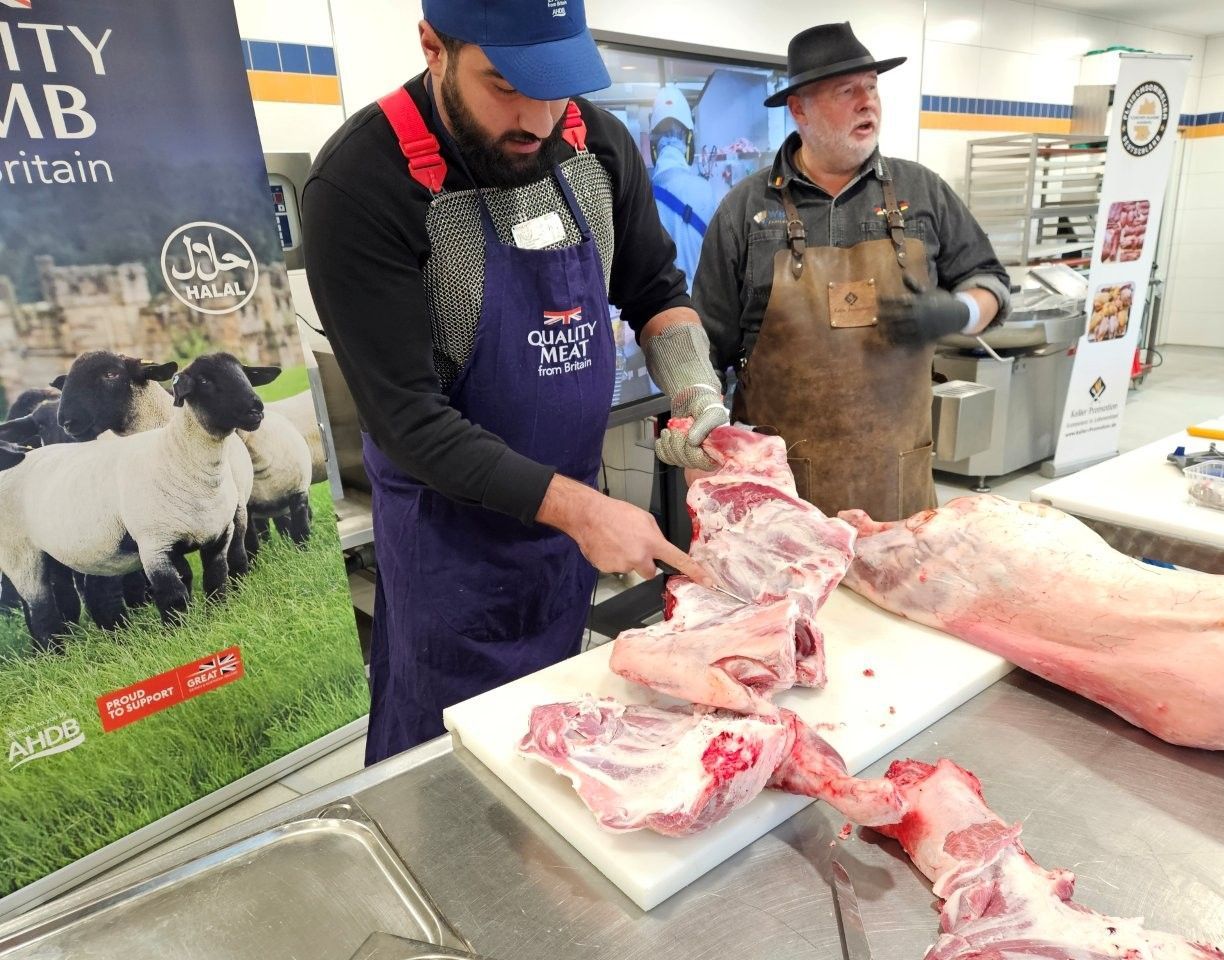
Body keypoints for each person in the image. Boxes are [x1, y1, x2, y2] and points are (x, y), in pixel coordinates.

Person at [302, 0, 727, 764]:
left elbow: (657, 292)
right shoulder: (361, 182)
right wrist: (583, 510)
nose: (535, 118)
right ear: (434, 47)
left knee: (552, 734)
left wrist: (698, 393)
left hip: (568, 528)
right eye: (504, 86)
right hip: (450, 541)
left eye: (554, 87)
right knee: (452, 751)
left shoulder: (594, 144)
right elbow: (409, 419)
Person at [694, 22, 1011, 520]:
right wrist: (703, 443)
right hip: (781, 496)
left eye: (872, 87)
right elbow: (704, 349)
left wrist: (959, 310)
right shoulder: (744, 211)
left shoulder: (923, 192)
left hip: (896, 487)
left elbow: (991, 281)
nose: (869, 103)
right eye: (848, 91)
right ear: (799, 108)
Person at [649, 84, 717, 293]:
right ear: (689, 141)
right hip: (700, 311)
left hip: (658, 317)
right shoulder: (706, 191)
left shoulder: (639, 196)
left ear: (654, 146)